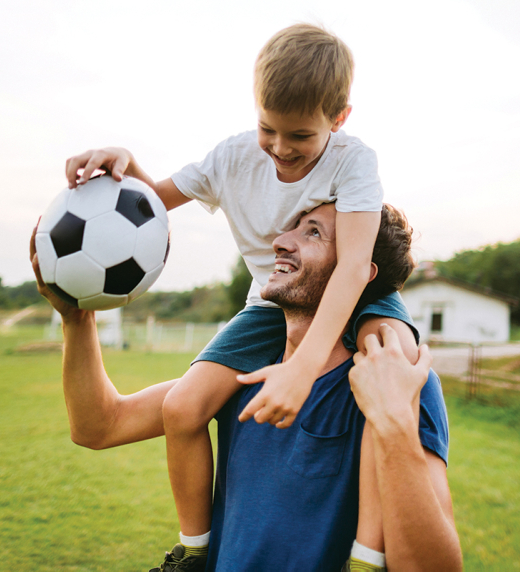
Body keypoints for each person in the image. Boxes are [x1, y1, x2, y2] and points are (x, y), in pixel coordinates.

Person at [62, 23, 419, 569]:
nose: (280, 148)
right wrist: (122, 164)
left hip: (360, 290)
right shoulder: (231, 159)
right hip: (272, 304)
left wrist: (302, 372)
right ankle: (193, 551)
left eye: (300, 136)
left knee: (388, 371)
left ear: (339, 119)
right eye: (267, 129)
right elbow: (147, 209)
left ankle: (368, 556)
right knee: (183, 407)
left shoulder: (354, 160)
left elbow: (353, 266)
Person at [30, 202, 463, 571]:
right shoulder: (239, 378)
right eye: (292, 225)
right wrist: (76, 317)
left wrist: (394, 424)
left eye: (313, 233)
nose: (280, 241)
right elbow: (98, 426)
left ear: (355, 272)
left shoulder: (398, 385)